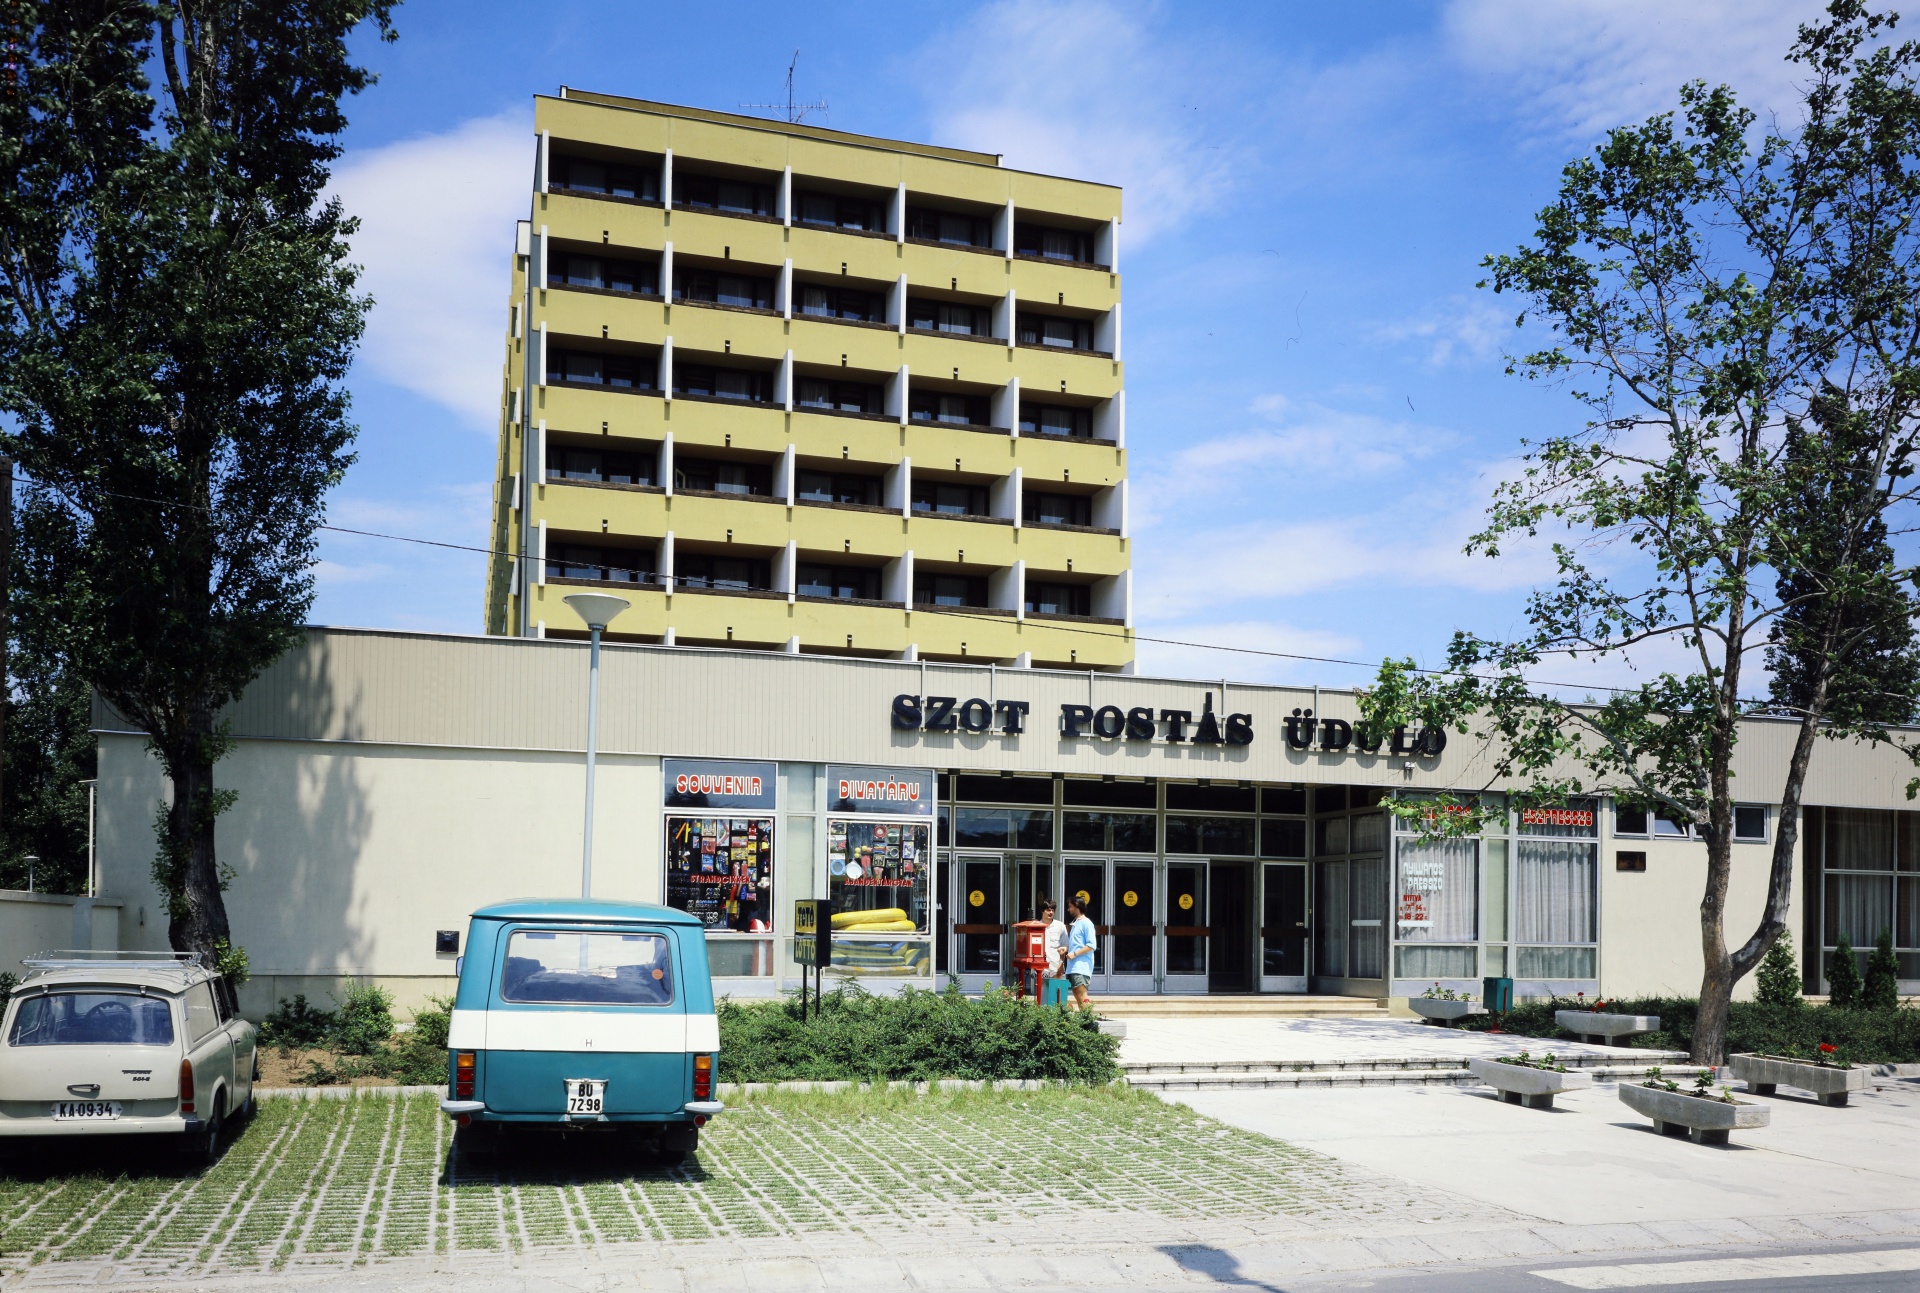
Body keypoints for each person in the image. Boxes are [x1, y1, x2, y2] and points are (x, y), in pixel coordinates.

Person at [1063, 894, 1096, 1011]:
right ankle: (1083, 1018)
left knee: (1082, 994)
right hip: (1072, 966)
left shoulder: (1087, 923)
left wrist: (1075, 954)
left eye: (1070, 906)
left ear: (1077, 906)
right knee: (1077, 994)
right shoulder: (1075, 923)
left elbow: (1091, 945)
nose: (1068, 909)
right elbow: (1076, 944)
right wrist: (1066, 949)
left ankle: (1087, 1018)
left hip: (1081, 966)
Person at [1041, 898, 1067, 1002]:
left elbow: (1065, 946)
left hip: (1056, 967)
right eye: (1048, 910)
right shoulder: (1036, 926)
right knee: (1042, 995)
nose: (1051, 912)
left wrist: (1061, 964)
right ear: (1042, 911)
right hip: (1041, 968)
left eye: (1052, 910)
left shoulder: (1060, 926)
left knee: (1057, 997)